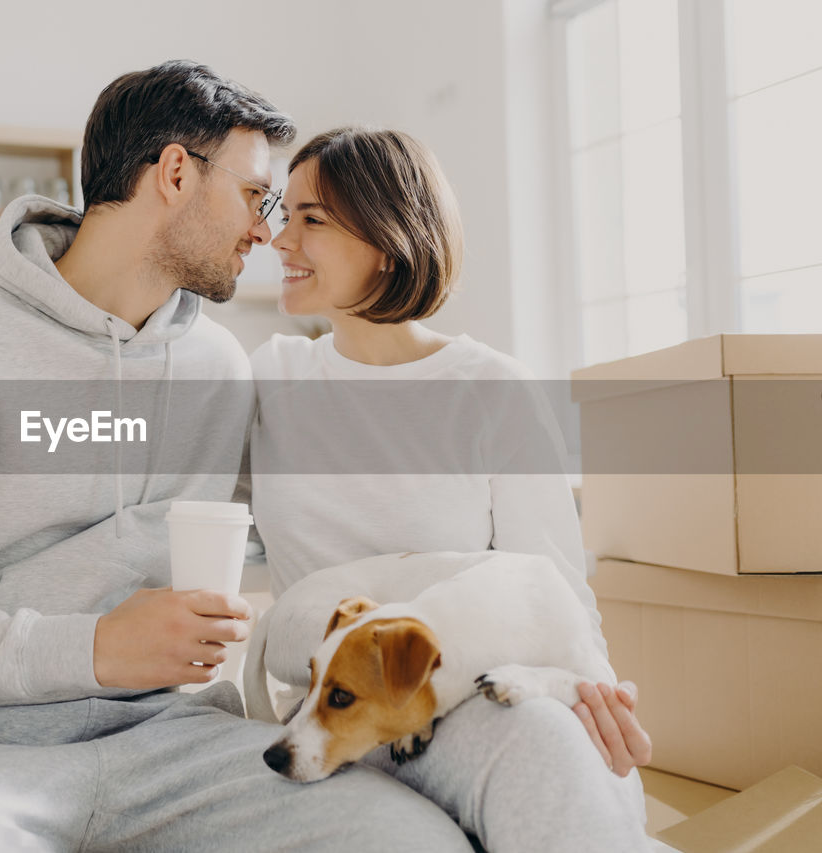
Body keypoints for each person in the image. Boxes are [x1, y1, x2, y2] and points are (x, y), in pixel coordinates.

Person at [0, 63, 479, 851]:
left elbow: (306, 520)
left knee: (414, 839)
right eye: (254, 196)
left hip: (180, 745)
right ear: (174, 173)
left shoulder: (220, 366)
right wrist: (94, 646)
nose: (267, 230)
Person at [250, 126, 655, 852]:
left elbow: (552, 591)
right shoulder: (270, 377)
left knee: (549, 744)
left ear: (387, 236)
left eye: (311, 219)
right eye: (286, 215)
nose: (281, 241)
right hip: (330, 715)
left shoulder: (493, 390)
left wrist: (594, 692)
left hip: (469, 702)